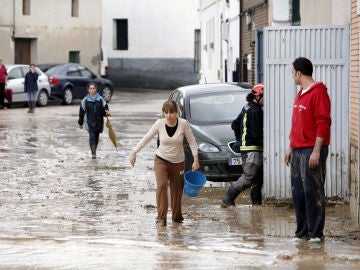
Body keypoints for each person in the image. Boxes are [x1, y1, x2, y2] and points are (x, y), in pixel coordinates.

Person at [130, 100, 200, 227]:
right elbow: (147, 137)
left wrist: (196, 159)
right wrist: (134, 151)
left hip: (178, 163)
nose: (168, 115)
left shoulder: (183, 124)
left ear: (176, 113)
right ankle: (161, 218)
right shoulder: (159, 123)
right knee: (161, 186)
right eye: (166, 112)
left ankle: (177, 219)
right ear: (163, 113)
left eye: (171, 113)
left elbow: (192, 142)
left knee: (177, 191)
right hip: (161, 160)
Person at [284, 57, 331, 244]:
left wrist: (317, 151)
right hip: (297, 151)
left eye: (292, 72)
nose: (292, 76)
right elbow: (296, 124)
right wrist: (290, 147)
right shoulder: (300, 93)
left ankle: (316, 234)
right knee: (299, 194)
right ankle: (301, 232)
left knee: (314, 193)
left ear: (298, 73)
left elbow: (323, 123)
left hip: (311, 151)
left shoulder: (319, 93)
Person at [221, 83, 264, 208]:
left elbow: (234, 125)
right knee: (249, 177)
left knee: (257, 178)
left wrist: (240, 141)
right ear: (257, 96)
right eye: (265, 96)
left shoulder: (246, 108)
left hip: (247, 149)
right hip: (253, 149)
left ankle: (256, 205)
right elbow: (257, 134)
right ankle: (228, 198)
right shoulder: (256, 111)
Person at [78, 83, 111, 159]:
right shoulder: (85, 100)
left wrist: (107, 112)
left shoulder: (100, 99)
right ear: (88, 90)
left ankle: (94, 151)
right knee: (92, 137)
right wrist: (80, 123)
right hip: (89, 123)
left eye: (93, 88)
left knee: (96, 138)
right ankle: (93, 154)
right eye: (90, 88)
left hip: (99, 122)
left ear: (96, 89)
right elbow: (81, 113)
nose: (92, 90)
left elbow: (105, 109)